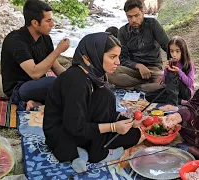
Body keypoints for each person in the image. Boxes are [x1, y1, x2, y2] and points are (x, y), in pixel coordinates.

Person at [43, 33, 144, 173]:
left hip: (81, 125)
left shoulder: (93, 74)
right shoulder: (76, 81)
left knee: (134, 132)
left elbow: (99, 108)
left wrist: (127, 121)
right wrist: (114, 127)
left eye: (118, 57)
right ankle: (94, 152)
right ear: (90, 55)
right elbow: (74, 126)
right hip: (63, 133)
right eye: (112, 57)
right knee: (126, 131)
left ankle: (85, 151)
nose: (118, 62)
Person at [1, 0, 70, 106]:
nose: (52, 24)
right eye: (48, 21)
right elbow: (35, 74)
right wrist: (58, 50)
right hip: (18, 88)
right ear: (35, 23)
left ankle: (36, 103)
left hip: (37, 85)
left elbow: (55, 65)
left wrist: (73, 79)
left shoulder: (45, 38)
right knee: (52, 82)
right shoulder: (15, 40)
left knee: (70, 81)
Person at [108, 0, 170, 92]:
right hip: (133, 70)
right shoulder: (123, 31)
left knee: (169, 82)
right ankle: (143, 86)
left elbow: (167, 46)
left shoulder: (152, 24)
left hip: (153, 69)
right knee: (108, 72)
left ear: (143, 12)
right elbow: (122, 58)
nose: (133, 20)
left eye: (136, 15)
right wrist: (138, 66)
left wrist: (172, 66)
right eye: (130, 17)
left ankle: (135, 86)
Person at [145, 36, 195, 105]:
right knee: (148, 96)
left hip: (185, 92)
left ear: (183, 51)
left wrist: (179, 72)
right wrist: (165, 72)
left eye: (177, 51)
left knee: (171, 75)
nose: (174, 55)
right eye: (172, 51)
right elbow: (166, 83)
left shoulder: (189, 64)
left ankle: (173, 104)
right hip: (172, 91)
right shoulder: (171, 62)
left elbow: (190, 83)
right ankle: (180, 101)